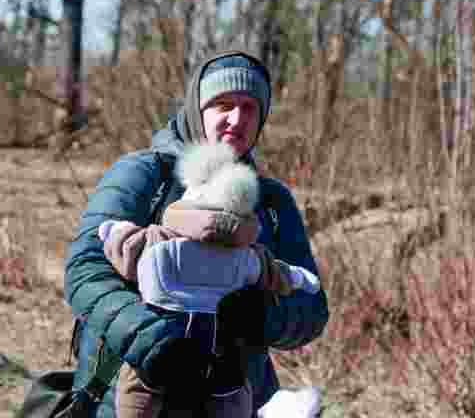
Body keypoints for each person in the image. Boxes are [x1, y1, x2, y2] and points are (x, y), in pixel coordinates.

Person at [64, 50, 329, 418]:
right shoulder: (144, 175)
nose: (236, 119)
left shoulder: (271, 202)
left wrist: (263, 315)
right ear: (196, 108)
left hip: (234, 396)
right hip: (132, 397)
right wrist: (153, 341)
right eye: (223, 104)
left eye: (249, 107)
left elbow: (313, 308)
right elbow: (85, 270)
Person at [97, 141, 321, 418]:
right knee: (231, 395)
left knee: (138, 390)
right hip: (218, 354)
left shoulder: (158, 241)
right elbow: (276, 273)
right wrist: (299, 279)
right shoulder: (245, 257)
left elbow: (126, 247)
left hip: (158, 345)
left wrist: (113, 231)